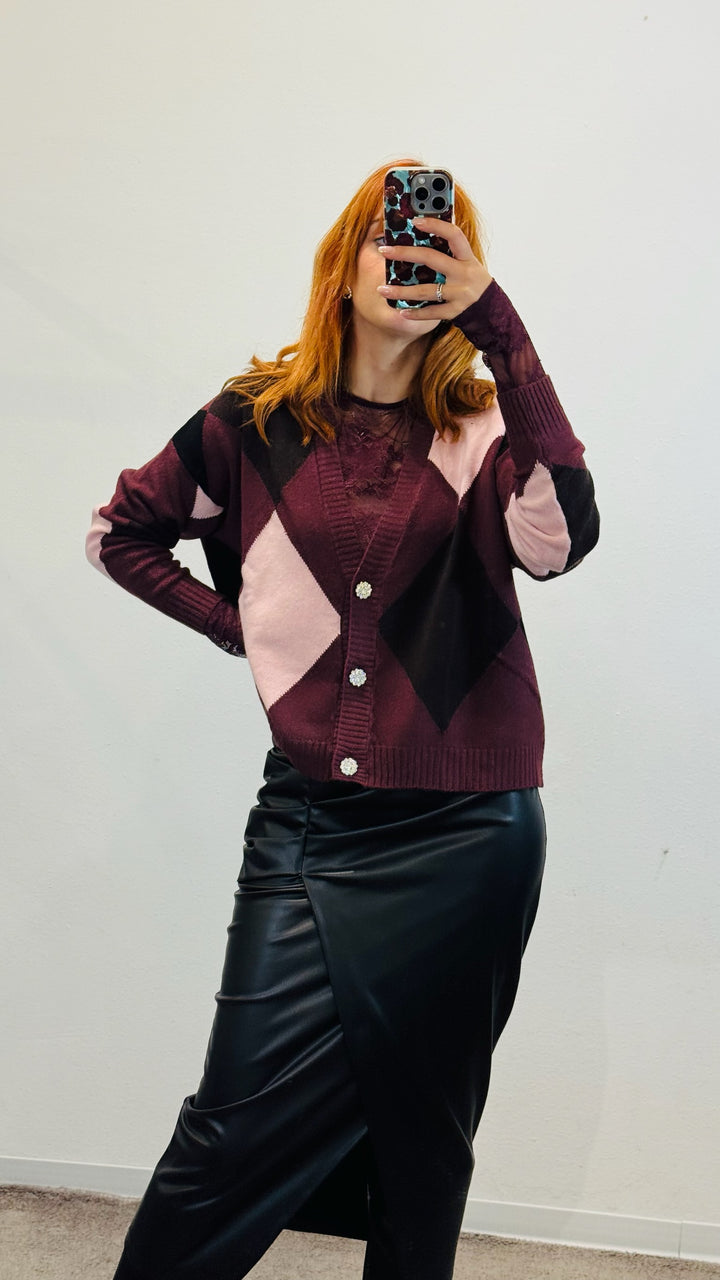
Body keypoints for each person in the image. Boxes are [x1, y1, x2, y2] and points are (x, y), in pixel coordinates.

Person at [86, 157, 600, 1280]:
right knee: (228, 1131)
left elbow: (560, 542)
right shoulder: (253, 420)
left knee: (426, 1139)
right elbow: (119, 533)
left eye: (440, 245)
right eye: (390, 237)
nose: (412, 258)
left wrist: (503, 330)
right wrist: (240, 626)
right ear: (344, 260)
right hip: (312, 821)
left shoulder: (484, 431)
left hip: (471, 831)